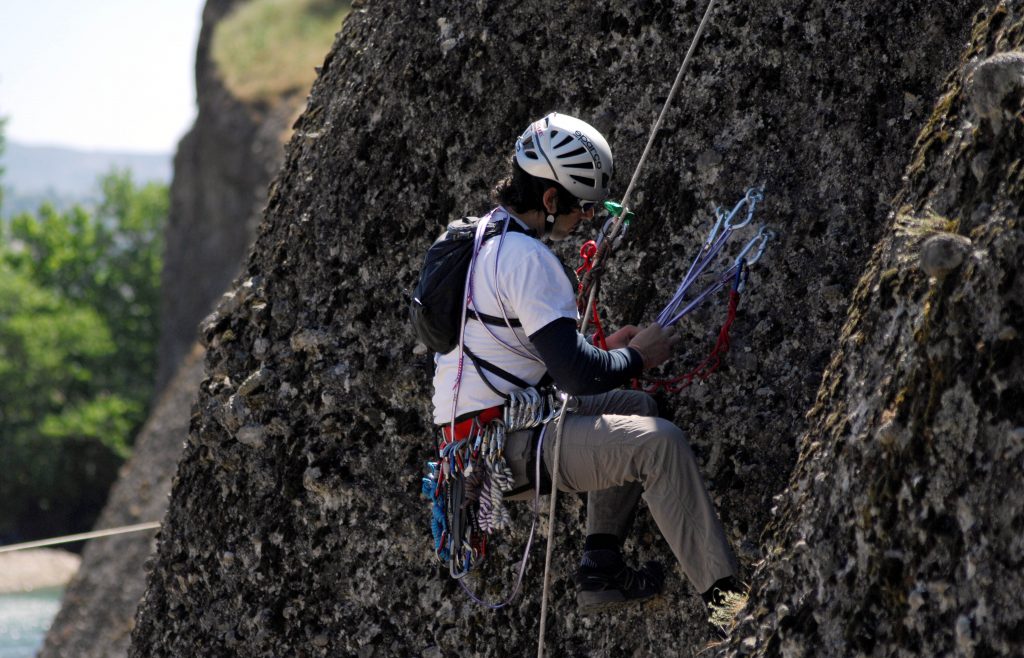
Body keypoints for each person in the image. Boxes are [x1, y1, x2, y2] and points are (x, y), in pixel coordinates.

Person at [430, 112, 747, 630]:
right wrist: (638, 356)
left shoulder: (482, 240)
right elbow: (577, 377)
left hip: (481, 436)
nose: (587, 219)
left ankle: (601, 568)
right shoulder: (527, 258)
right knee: (658, 443)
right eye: (582, 208)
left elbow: (531, 355)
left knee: (637, 406)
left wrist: (604, 352)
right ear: (551, 200)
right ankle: (730, 607)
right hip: (508, 444)